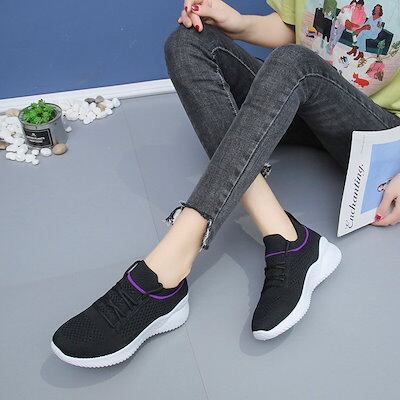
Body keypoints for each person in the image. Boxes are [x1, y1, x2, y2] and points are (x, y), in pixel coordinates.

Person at [51, 0, 400, 368]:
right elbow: (298, 31)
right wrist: (239, 23)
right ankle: (286, 236)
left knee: (293, 62)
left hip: (369, 132)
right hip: (302, 104)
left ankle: (169, 262)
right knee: (185, 43)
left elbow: (299, 57)